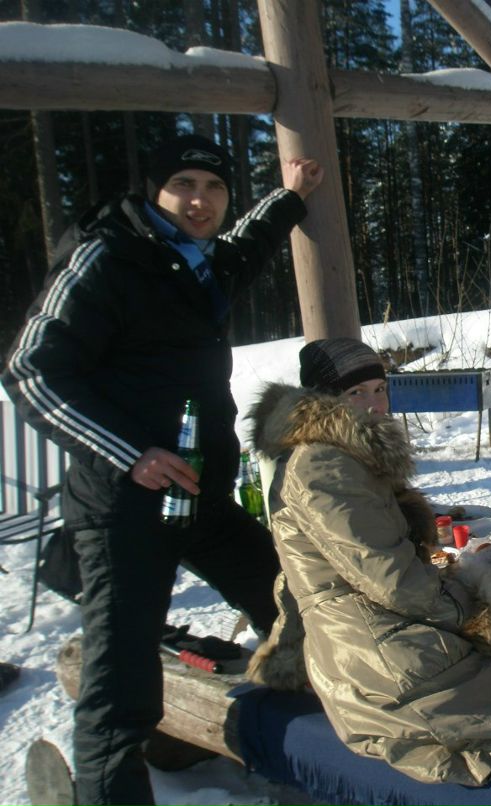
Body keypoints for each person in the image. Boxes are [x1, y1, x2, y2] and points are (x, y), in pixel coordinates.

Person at [1, 133, 324, 806]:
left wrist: (289, 198)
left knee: (297, 603)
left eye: (213, 188)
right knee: (122, 690)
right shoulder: (108, 258)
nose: (200, 201)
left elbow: (245, 251)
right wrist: (131, 453)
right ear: (155, 191)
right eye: (184, 185)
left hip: (197, 497)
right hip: (123, 506)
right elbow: (30, 371)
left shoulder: (194, 261)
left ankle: (320, 749)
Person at [245, 338, 491, 786]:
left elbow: (302, 579)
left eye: (379, 389)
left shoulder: (331, 454)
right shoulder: (323, 464)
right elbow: (396, 582)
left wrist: (285, 654)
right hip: (381, 662)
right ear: (323, 401)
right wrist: (472, 608)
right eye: (355, 394)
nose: (374, 404)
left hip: (372, 642)